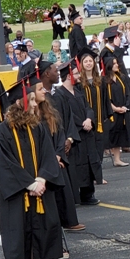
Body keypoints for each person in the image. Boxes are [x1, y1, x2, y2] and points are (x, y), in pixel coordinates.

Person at [0, 75, 63, 259]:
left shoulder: (38, 128)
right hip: (16, 196)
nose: (34, 104)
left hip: (39, 193)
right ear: (19, 103)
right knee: (19, 235)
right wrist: (28, 183)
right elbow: (4, 165)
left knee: (41, 233)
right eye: (31, 100)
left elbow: (48, 156)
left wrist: (41, 180)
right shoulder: (2, 131)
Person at [37, 61, 84, 234]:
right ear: (46, 73)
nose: (58, 73)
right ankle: (59, 222)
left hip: (61, 145)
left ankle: (69, 220)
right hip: (49, 151)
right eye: (55, 70)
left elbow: (67, 120)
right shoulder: (40, 99)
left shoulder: (58, 96)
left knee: (65, 186)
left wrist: (69, 139)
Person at [54, 58, 100, 206]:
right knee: (77, 166)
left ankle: (88, 193)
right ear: (69, 76)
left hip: (87, 133)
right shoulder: (59, 95)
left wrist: (89, 119)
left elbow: (88, 107)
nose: (79, 76)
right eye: (76, 73)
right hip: (74, 136)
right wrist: (81, 124)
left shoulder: (78, 91)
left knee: (88, 163)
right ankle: (76, 195)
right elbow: (66, 117)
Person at [76, 47, 109, 187]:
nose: (88, 63)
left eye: (90, 61)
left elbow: (105, 99)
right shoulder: (78, 83)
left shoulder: (100, 80)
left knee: (99, 147)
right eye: (86, 61)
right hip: (86, 120)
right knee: (89, 150)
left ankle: (98, 176)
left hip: (99, 120)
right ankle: (92, 176)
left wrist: (107, 116)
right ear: (82, 64)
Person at [103, 55, 130, 167]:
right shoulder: (104, 80)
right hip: (111, 112)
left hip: (122, 111)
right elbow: (105, 98)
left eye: (117, 63)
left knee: (119, 134)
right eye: (114, 63)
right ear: (109, 65)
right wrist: (115, 108)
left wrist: (125, 106)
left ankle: (117, 159)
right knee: (111, 134)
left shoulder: (122, 77)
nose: (117, 65)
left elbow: (128, 93)